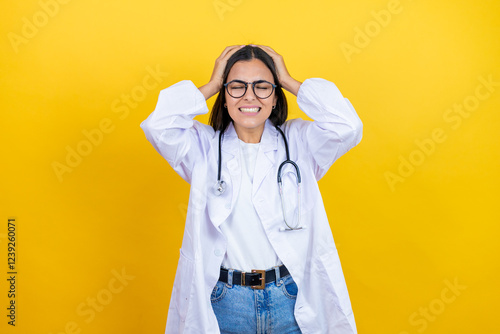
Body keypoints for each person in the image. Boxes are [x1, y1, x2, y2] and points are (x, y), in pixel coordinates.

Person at [140, 44, 363, 334]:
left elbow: (347, 125)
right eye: (237, 86)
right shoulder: (203, 148)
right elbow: (158, 126)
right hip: (225, 303)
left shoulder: (299, 142)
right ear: (224, 97)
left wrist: (287, 79)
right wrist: (210, 85)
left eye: (261, 87)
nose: (249, 96)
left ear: (274, 97)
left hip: (290, 299)